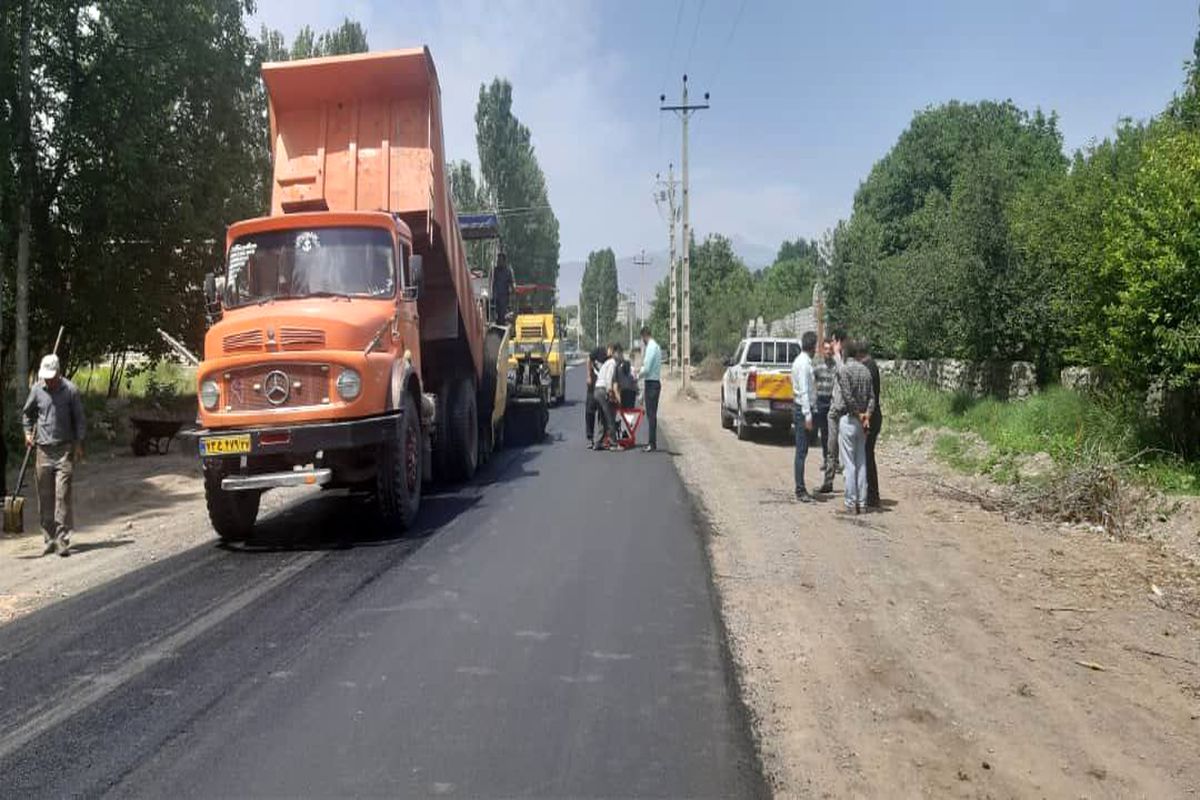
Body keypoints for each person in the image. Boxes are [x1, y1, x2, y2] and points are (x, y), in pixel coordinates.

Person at [22, 354, 86, 557]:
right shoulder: (37, 389)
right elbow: (27, 414)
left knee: (62, 495)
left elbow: (80, 420)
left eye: (51, 377)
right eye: (46, 377)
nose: (48, 381)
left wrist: (78, 444)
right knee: (45, 495)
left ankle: (62, 539)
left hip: (64, 449)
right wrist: (27, 433)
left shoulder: (71, 391)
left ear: (59, 373)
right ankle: (48, 538)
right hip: (42, 450)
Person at [828, 340, 877, 514]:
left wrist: (857, 414)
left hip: (849, 420)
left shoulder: (844, 370)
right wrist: (867, 415)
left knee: (849, 464)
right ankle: (862, 503)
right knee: (861, 462)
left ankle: (850, 502)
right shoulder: (866, 370)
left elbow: (847, 397)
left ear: (846, 354)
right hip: (863, 422)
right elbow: (872, 397)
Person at [790, 331, 817, 503]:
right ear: (813, 346)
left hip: (802, 408)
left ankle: (800, 487)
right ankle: (800, 489)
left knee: (803, 450)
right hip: (802, 409)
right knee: (801, 451)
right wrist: (808, 415)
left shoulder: (803, 361)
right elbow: (805, 392)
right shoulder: (804, 364)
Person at [860, 340, 883, 508]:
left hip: (871, 417)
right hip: (874, 415)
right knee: (868, 454)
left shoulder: (868, 368)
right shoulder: (872, 365)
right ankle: (871, 493)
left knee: (867, 455)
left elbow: (869, 397)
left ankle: (872, 495)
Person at [814, 337, 839, 494]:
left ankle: (831, 462)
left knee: (832, 438)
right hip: (820, 403)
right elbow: (812, 380)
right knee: (824, 436)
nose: (829, 352)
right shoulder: (817, 365)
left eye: (831, 349)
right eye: (826, 349)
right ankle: (827, 459)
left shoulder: (836, 366)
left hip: (832, 403)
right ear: (822, 350)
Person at [639, 326, 662, 452]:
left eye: (642, 338)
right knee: (652, 415)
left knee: (651, 415)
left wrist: (638, 374)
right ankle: (652, 442)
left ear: (644, 336)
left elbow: (646, 368)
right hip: (656, 382)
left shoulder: (651, 348)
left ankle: (651, 443)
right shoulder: (657, 347)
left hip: (651, 384)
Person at [593, 344, 619, 451]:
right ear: (614, 353)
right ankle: (613, 443)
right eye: (618, 353)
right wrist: (610, 392)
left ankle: (598, 442)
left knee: (602, 418)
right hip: (603, 390)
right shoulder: (612, 363)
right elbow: (608, 379)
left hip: (597, 391)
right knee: (610, 417)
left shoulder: (606, 363)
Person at [584, 343, 608, 449]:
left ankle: (600, 439)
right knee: (589, 411)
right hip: (592, 386)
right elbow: (588, 359)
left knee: (602, 413)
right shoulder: (598, 351)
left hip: (603, 388)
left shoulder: (611, 359)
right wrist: (589, 375)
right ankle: (590, 438)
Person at [491, 250, 513, 324]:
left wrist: (512, 290)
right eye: (498, 260)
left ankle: (502, 321)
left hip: (504, 295)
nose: (498, 262)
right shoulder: (495, 271)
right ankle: (496, 320)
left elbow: (511, 282)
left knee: (502, 310)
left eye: (500, 260)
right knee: (495, 309)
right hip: (495, 294)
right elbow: (491, 281)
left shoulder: (508, 271)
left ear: (504, 261)